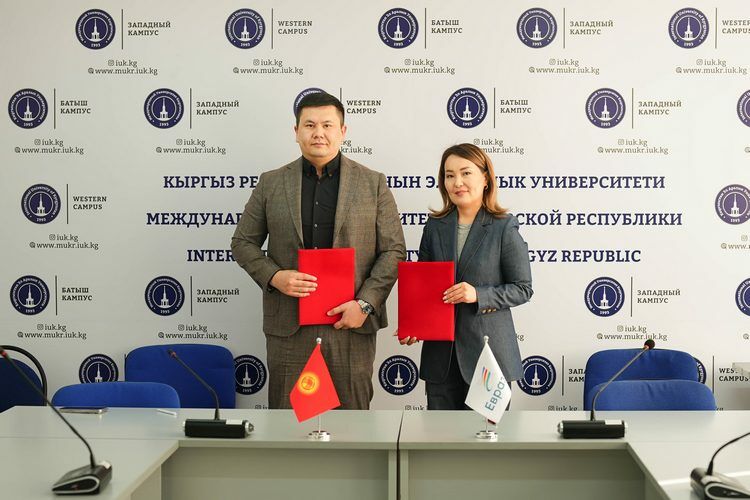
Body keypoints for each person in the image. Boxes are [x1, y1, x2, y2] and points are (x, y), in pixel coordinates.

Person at [231, 92, 406, 410]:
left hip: (351, 324)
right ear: (296, 131)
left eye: (327, 125)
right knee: (289, 422)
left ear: (343, 131)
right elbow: (242, 242)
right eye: (309, 125)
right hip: (290, 325)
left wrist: (365, 304)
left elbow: (393, 251)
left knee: (352, 424)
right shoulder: (271, 183)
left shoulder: (373, 183)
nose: (318, 133)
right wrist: (275, 276)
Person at [399, 143, 533, 410]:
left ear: (485, 178)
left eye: (465, 173)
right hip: (441, 359)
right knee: (441, 436)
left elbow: (523, 288)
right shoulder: (435, 227)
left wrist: (478, 295)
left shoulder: (504, 226)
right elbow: (424, 286)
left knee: (486, 437)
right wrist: (415, 325)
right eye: (449, 175)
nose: (457, 182)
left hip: (489, 356)